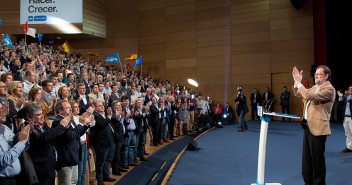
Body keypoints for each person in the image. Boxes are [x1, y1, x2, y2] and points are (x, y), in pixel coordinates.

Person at [292, 65, 335, 185]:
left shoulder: (329, 89)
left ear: (326, 76)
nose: (315, 76)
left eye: (318, 74)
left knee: (317, 161)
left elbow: (309, 96)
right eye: (315, 74)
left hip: (318, 128)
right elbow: (300, 94)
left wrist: (299, 83)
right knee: (307, 160)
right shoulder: (315, 87)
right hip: (307, 126)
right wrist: (296, 83)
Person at [0, 102, 30, 185]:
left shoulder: (5, 128)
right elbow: (4, 160)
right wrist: (22, 142)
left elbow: (20, 148)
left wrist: (24, 136)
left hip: (16, 178)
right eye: (1, 109)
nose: (6, 112)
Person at [337, 85, 352, 153]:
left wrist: (347, 96)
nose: (350, 90)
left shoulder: (348, 98)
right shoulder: (345, 97)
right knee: (347, 133)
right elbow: (340, 105)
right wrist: (340, 97)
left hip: (351, 118)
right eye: (349, 89)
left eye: (351, 89)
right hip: (345, 118)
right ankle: (349, 147)